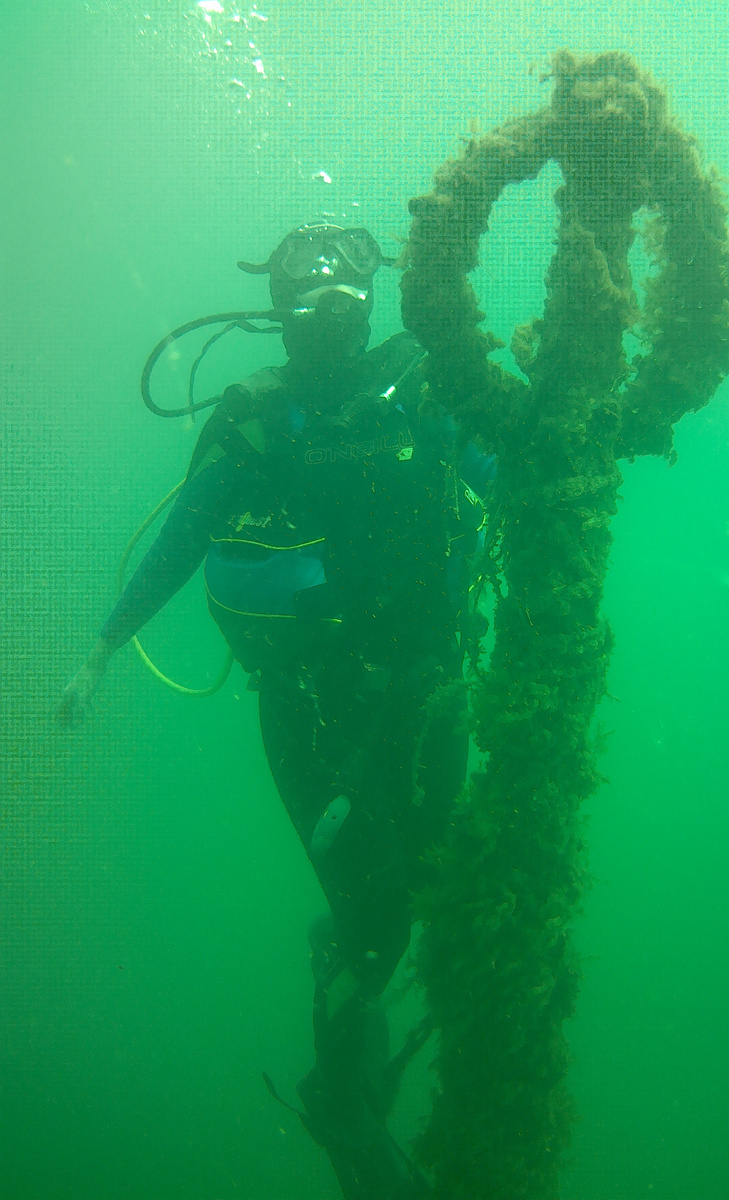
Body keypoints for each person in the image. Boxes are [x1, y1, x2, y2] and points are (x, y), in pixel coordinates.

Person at [57, 224, 493, 1200]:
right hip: (307, 711)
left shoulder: (424, 382)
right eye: (309, 289)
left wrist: (558, 467)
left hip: (427, 691)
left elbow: (504, 477)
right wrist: (101, 651)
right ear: (282, 314)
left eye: (343, 286)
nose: (329, 306)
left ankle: (348, 985)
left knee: (427, 874)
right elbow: (184, 536)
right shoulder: (258, 414)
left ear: (371, 303)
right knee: (376, 919)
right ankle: (345, 1104)